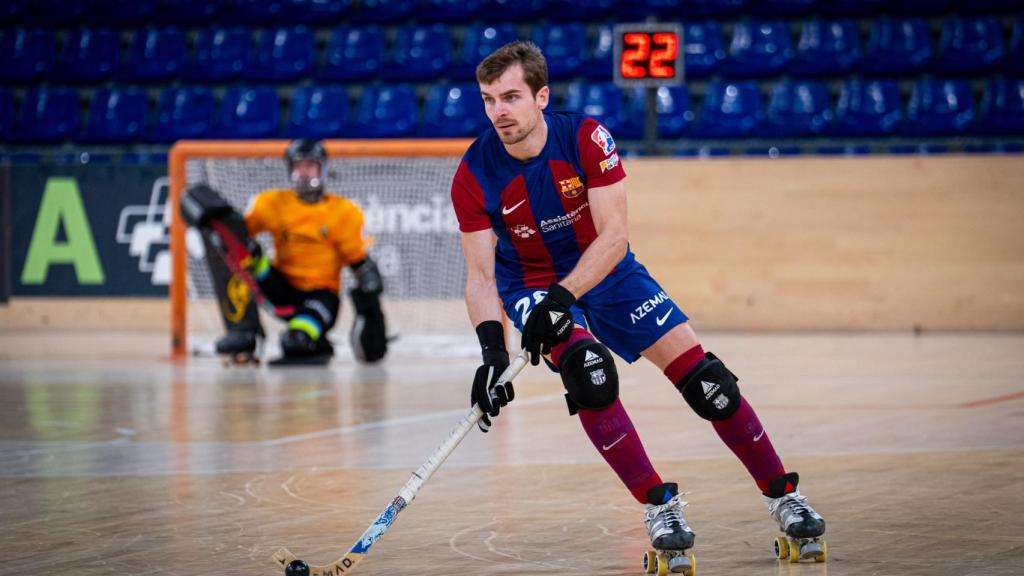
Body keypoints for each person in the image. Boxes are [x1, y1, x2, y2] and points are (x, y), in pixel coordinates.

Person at [450, 41, 826, 562]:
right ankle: (658, 505)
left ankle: (786, 497)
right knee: (589, 374)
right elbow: (480, 276)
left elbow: (615, 238)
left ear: (542, 96)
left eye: (511, 97)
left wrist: (565, 296)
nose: (499, 112)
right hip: (533, 283)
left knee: (708, 384)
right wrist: (492, 352)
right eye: (489, 99)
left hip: (604, 269)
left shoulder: (585, 137)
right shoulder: (473, 173)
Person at [208, 138, 387, 364]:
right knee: (238, 249)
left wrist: (370, 293)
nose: (303, 173)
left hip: (321, 294)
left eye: (309, 166)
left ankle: (309, 338)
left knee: (295, 341)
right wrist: (215, 219)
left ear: (322, 169)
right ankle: (243, 331)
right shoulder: (272, 202)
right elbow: (238, 235)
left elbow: (360, 263)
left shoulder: (343, 212)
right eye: (298, 166)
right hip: (279, 287)